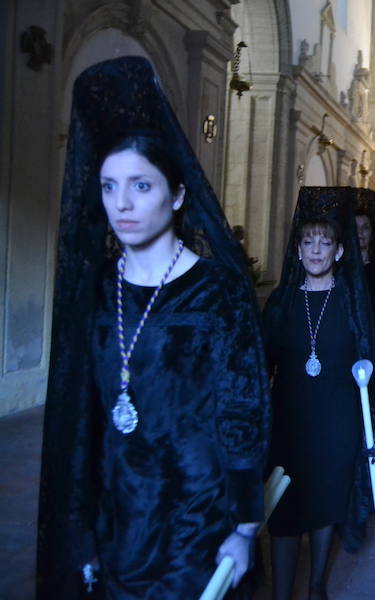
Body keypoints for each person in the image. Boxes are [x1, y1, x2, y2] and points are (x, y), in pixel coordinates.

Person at [36, 57, 270, 598]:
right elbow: (82, 419)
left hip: (198, 522)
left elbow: (243, 412)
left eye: (141, 185)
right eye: (109, 185)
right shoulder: (93, 290)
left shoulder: (218, 291)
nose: (122, 203)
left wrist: (243, 528)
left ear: (178, 194)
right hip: (117, 518)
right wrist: (81, 531)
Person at [263, 187, 375, 600]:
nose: (316, 250)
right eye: (308, 241)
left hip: (338, 421)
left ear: (340, 252)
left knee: (325, 500)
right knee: (283, 507)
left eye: (325, 242)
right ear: (298, 249)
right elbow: (259, 366)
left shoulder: (352, 303)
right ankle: (282, 593)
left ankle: (317, 582)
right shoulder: (281, 303)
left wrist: (366, 368)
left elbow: (366, 356)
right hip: (290, 421)